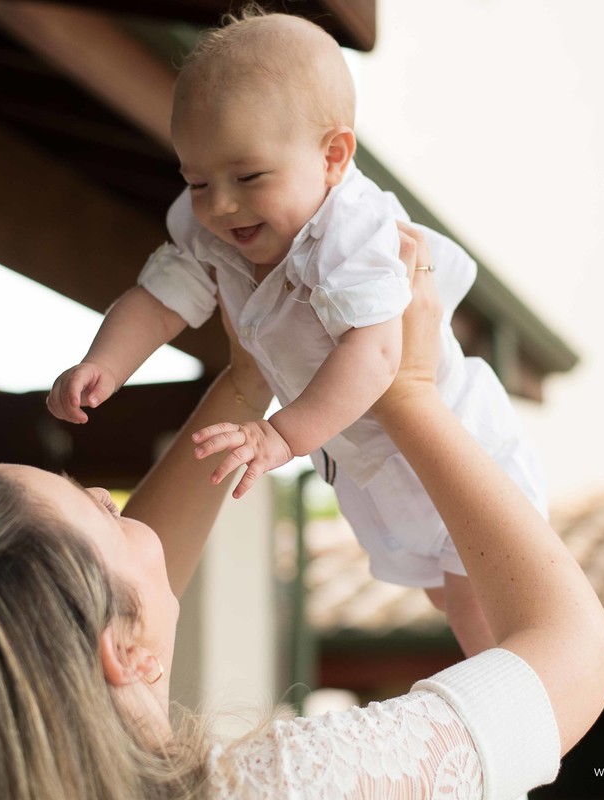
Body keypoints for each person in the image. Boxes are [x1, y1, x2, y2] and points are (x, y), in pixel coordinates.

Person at [0, 227, 604, 799]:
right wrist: (407, 391)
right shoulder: (281, 788)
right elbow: (579, 656)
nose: (112, 498)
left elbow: (130, 575)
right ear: (122, 654)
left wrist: (250, 378)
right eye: (97, 513)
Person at [47, 11, 545, 656]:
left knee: (486, 615)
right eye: (197, 182)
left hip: (453, 446)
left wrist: (280, 434)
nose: (221, 205)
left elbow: (379, 353)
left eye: (248, 177)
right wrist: (105, 363)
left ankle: (527, 727)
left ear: (333, 156)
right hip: (370, 467)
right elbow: (157, 300)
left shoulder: (352, 232)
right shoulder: (212, 231)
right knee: (445, 596)